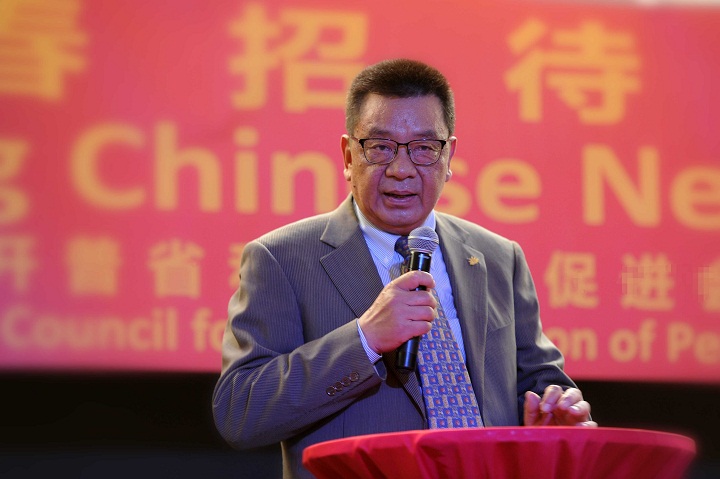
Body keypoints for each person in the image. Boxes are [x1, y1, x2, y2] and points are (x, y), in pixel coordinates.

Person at [213, 58, 596, 479]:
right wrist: (364, 340)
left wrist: (556, 415)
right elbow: (240, 411)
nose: (401, 169)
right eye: (380, 147)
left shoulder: (499, 257)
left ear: (449, 156)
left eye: (424, 149)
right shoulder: (281, 258)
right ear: (348, 156)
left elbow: (540, 382)